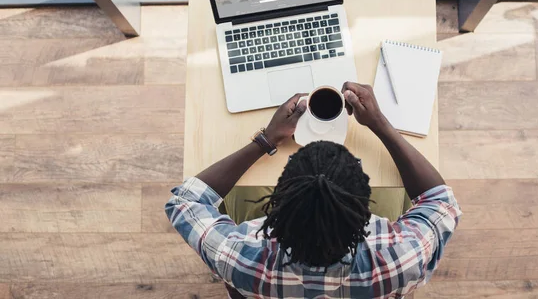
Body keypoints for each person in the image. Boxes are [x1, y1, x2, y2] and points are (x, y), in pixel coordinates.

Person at [166, 82, 461, 299]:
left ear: (278, 202)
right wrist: (380, 124)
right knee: (399, 194)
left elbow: (185, 200)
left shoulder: (241, 258)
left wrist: (267, 140)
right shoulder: (401, 259)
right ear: (364, 212)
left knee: (236, 195)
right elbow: (440, 201)